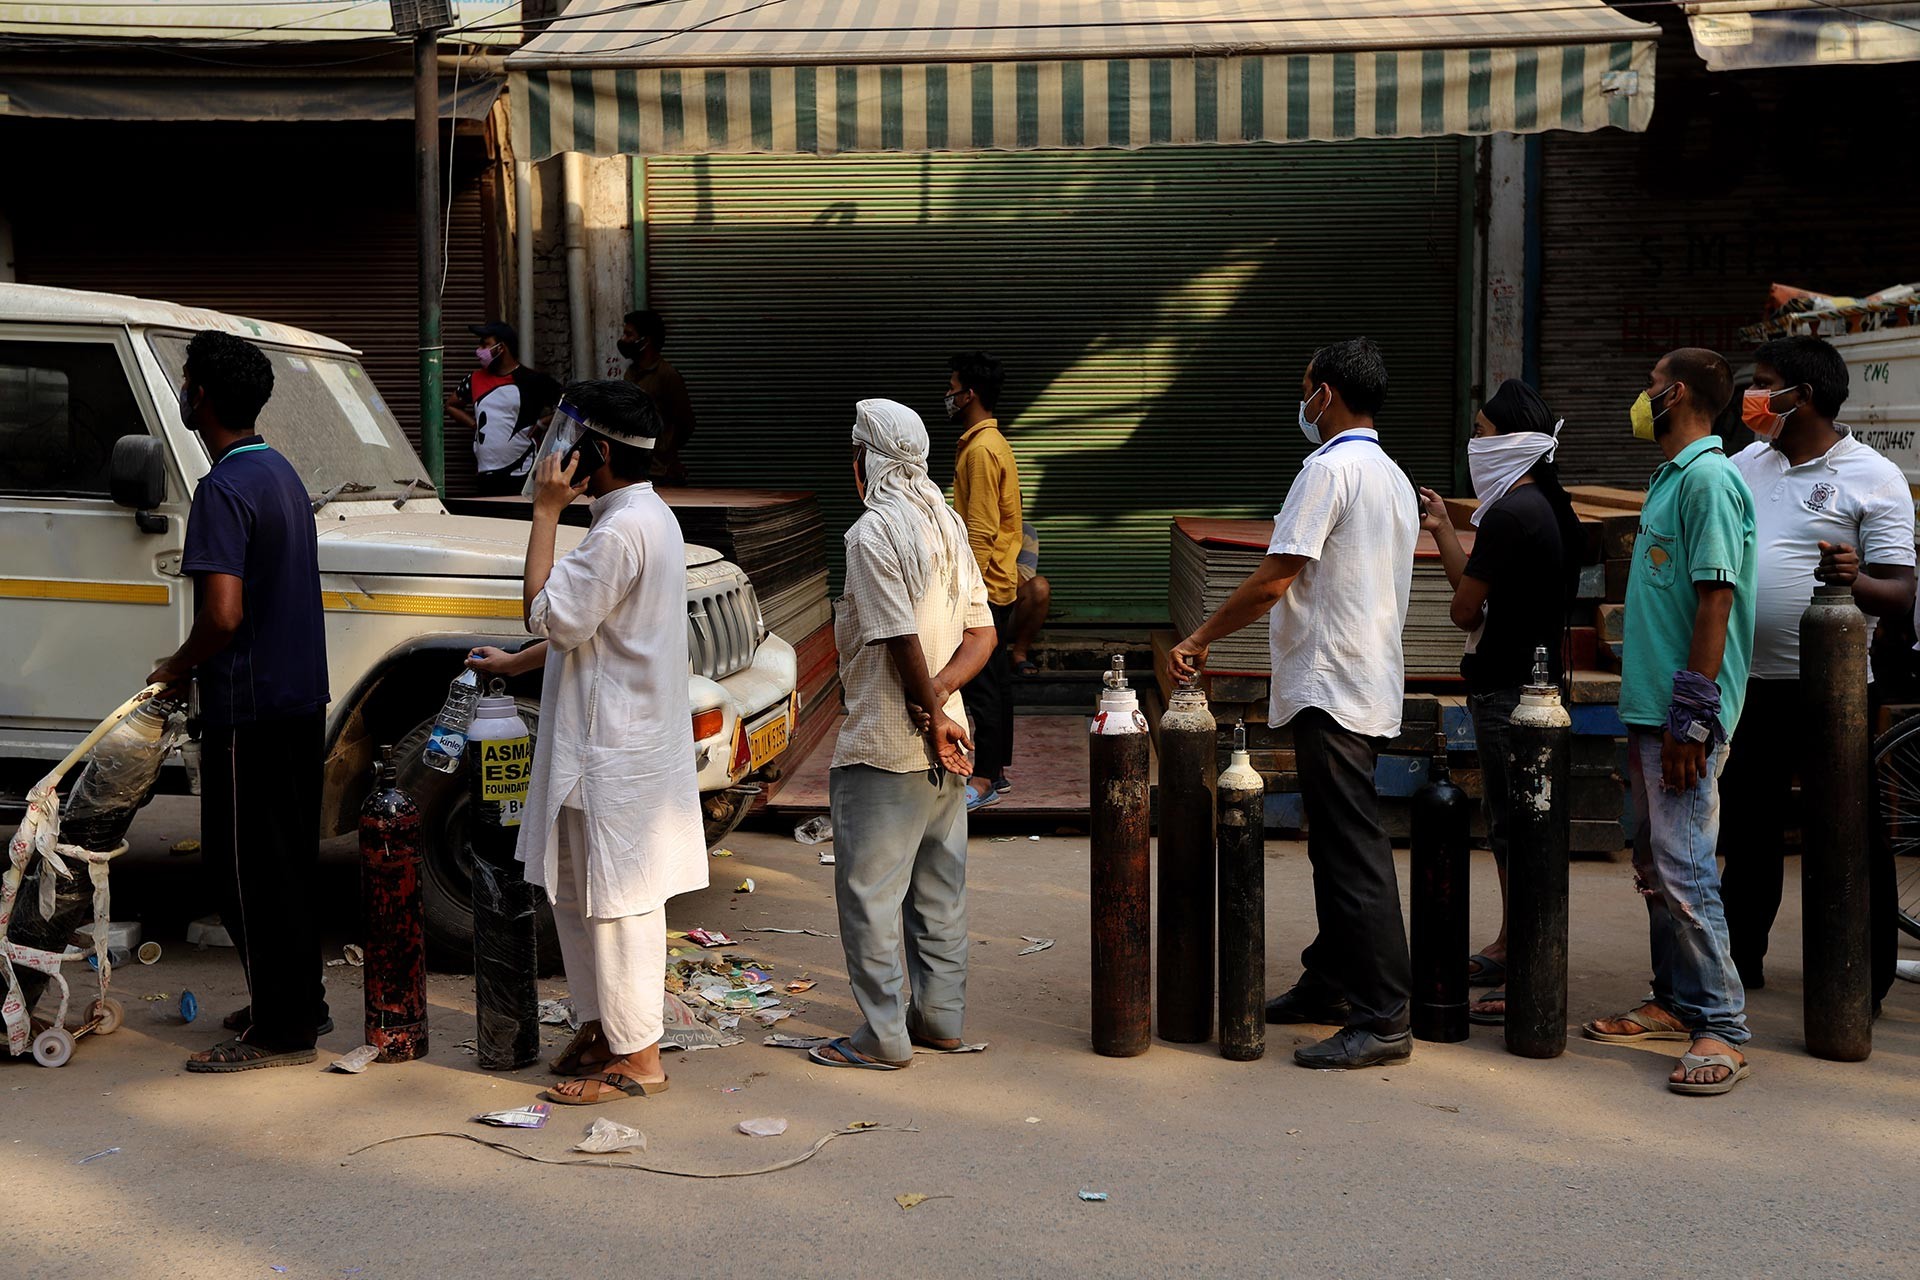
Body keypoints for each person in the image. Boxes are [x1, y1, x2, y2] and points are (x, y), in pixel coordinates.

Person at [1169, 337, 1419, 1070]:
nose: (1301, 403)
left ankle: (1384, 1017)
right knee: (1334, 844)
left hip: (1333, 684)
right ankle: (1332, 981)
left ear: (1328, 395)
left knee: (1352, 850)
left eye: (1305, 388)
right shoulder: (1392, 476)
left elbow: (1278, 576)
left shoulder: (1329, 469)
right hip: (1363, 680)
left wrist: (1203, 634)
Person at [509, 380, 707, 1106]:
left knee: (618, 901)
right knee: (577, 894)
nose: (557, 454)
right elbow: (589, 628)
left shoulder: (621, 528)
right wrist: (512, 666)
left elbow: (548, 614)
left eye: (569, 442)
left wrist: (543, 512)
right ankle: (601, 1028)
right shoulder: (640, 515)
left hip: (612, 750)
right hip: (611, 742)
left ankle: (639, 1056)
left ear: (596, 453)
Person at [148, 331, 330, 1072]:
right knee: (286, 862)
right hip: (297, 700)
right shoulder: (278, 471)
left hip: (248, 709)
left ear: (202, 398)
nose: (184, 391)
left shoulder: (222, 487)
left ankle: (281, 1030)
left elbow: (222, 615)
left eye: (188, 381)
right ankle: (296, 1001)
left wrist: (177, 666)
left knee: (243, 870)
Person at [1583, 347, 1758, 1097]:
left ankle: (1723, 1025)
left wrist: (1692, 717)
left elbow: (1716, 599)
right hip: (1652, 711)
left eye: (1650, 384)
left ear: (1677, 392)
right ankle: (1675, 1001)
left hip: (1683, 716)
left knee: (1686, 869)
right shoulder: (1670, 478)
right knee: (1657, 868)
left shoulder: (1712, 479)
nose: (1642, 395)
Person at [1722, 336, 1915, 1000]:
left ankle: (1871, 971)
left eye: (1763, 382)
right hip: (1750, 685)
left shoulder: (1872, 477)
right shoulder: (1747, 463)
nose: (1751, 395)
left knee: (1852, 829)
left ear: (1799, 398)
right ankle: (1738, 964)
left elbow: (1901, 592)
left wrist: (1854, 578)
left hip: (1833, 690)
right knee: (1748, 831)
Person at [809, 399, 996, 1071]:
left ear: (868, 460)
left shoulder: (872, 533)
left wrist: (927, 707)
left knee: (870, 897)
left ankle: (883, 1036)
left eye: (854, 448)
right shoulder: (945, 522)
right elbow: (983, 633)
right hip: (950, 746)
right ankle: (940, 1020)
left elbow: (894, 633)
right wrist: (945, 705)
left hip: (887, 748)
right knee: (939, 891)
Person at [1417, 380, 1585, 1026]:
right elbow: (1481, 593)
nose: (1475, 444)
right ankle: (1514, 944)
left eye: (1483, 432)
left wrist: (1450, 543)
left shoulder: (1512, 514)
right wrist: (1442, 529)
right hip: (1535, 688)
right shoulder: (1541, 504)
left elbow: (1466, 606)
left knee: (1517, 833)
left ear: (1513, 441)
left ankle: (1529, 963)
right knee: (1521, 829)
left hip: (1507, 691)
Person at [948, 351, 1020, 811]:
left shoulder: (979, 450)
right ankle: (998, 770)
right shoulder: (994, 442)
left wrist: (965, 594)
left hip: (985, 587)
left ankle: (986, 777)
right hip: (1000, 582)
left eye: (952, 387)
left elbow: (980, 529)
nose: (948, 395)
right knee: (996, 680)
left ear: (969, 393)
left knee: (982, 685)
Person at [444, 321, 562, 495]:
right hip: (486, 473)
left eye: (485, 344)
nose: (479, 350)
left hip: (523, 472)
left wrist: (544, 423)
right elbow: (451, 405)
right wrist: (475, 425)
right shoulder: (474, 379)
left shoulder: (532, 381)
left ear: (501, 348)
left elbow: (571, 406)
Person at [619, 309, 695, 484]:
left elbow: (685, 422)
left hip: (660, 472)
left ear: (646, 341)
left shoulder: (666, 375)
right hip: (634, 468)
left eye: (629, 334)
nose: (624, 340)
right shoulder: (631, 373)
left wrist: (665, 449)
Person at [1008, 521, 1052, 680]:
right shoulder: (971, 527)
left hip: (1009, 609)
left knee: (1040, 587)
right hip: (975, 610)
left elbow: (1021, 584)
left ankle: (1019, 652)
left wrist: (1002, 551)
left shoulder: (1025, 532)